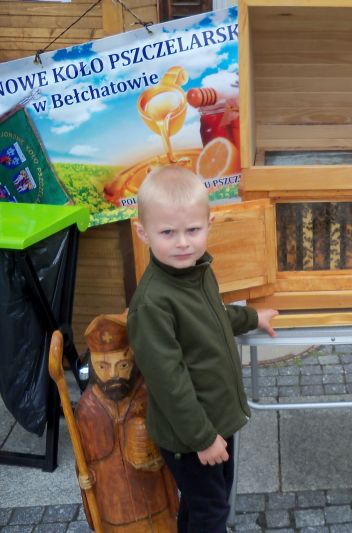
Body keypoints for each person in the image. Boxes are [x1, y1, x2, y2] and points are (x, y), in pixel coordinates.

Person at [128, 165, 278, 533]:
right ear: (143, 233)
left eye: (193, 230)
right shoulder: (153, 303)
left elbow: (215, 316)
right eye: (168, 233)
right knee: (212, 510)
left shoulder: (197, 270)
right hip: (192, 434)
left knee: (206, 504)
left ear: (209, 224)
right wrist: (203, 439)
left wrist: (252, 317)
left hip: (216, 421)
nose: (183, 243)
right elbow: (169, 383)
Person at [75, 312, 179, 532]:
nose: (113, 375)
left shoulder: (148, 395)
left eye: (122, 365)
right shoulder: (87, 408)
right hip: (113, 507)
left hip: (154, 503)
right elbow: (85, 457)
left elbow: (171, 444)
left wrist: (157, 452)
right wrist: (85, 478)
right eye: (103, 367)